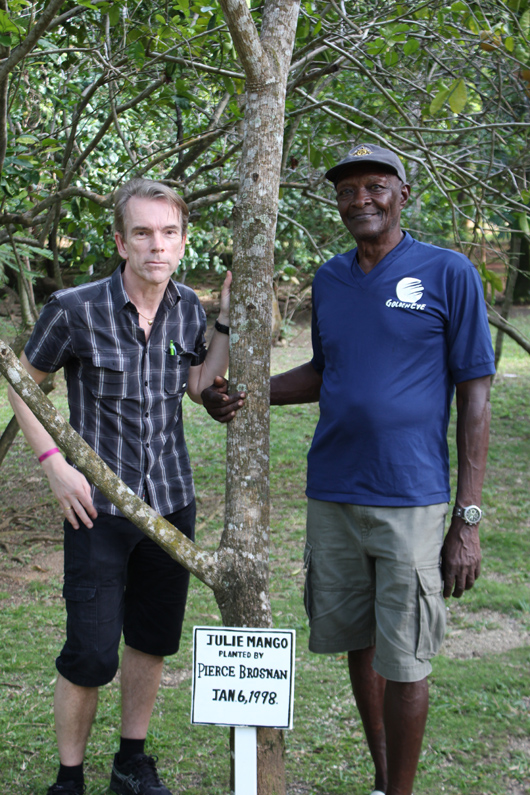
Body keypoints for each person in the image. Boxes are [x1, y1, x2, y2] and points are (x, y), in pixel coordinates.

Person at [201, 144, 495, 795]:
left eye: (375, 186)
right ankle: (382, 776)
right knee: (359, 642)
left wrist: (467, 519)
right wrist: (250, 392)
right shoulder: (330, 279)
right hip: (333, 490)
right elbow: (324, 372)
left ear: (403, 193)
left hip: (411, 496)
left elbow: (475, 394)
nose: (360, 199)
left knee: (407, 655)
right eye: (348, 190)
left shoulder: (449, 273)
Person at [8, 178, 232, 795]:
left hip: (171, 502)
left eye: (168, 233)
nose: (156, 246)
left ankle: (131, 761)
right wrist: (53, 461)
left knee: (153, 638)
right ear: (120, 240)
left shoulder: (187, 306)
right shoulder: (75, 308)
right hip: (97, 509)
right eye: (142, 233)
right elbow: (22, 382)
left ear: (183, 241)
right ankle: (68, 777)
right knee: (91, 651)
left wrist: (228, 320)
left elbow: (196, 384)